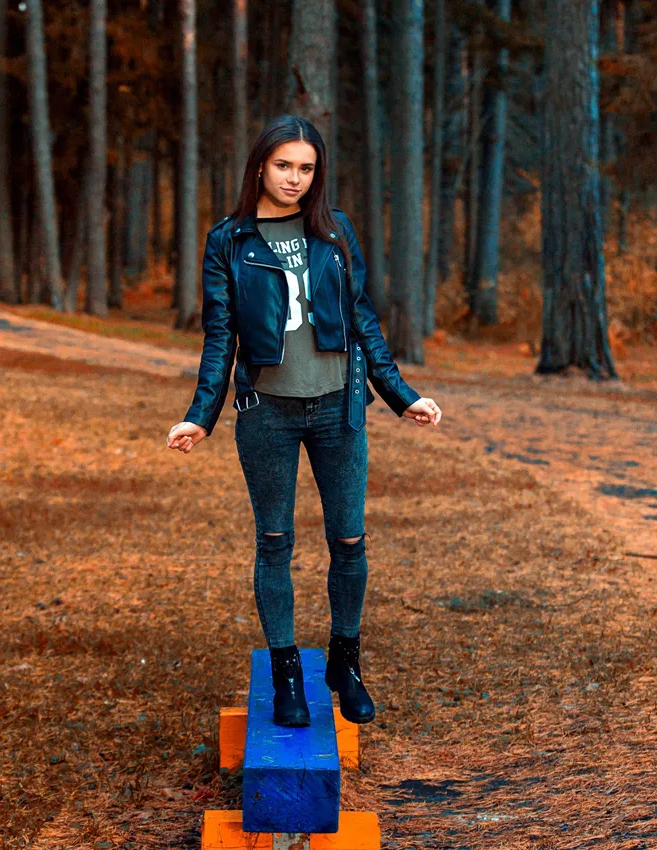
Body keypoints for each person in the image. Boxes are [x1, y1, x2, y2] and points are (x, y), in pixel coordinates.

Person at [165, 114, 442, 728]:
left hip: (338, 407)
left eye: (306, 168)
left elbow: (364, 321)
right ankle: (287, 670)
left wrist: (400, 394)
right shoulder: (229, 240)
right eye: (284, 165)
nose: (294, 178)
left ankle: (345, 662)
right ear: (261, 166)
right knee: (275, 544)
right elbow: (221, 337)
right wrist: (200, 416)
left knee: (349, 540)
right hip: (267, 414)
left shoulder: (334, 230)